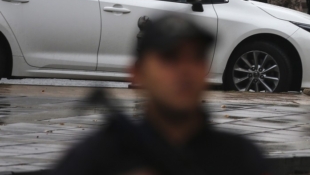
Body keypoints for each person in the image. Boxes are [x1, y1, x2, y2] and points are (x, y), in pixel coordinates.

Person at [50, 16, 269, 175]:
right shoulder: (97, 157)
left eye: (195, 58)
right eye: (169, 58)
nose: (185, 70)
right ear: (137, 74)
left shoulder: (239, 157)